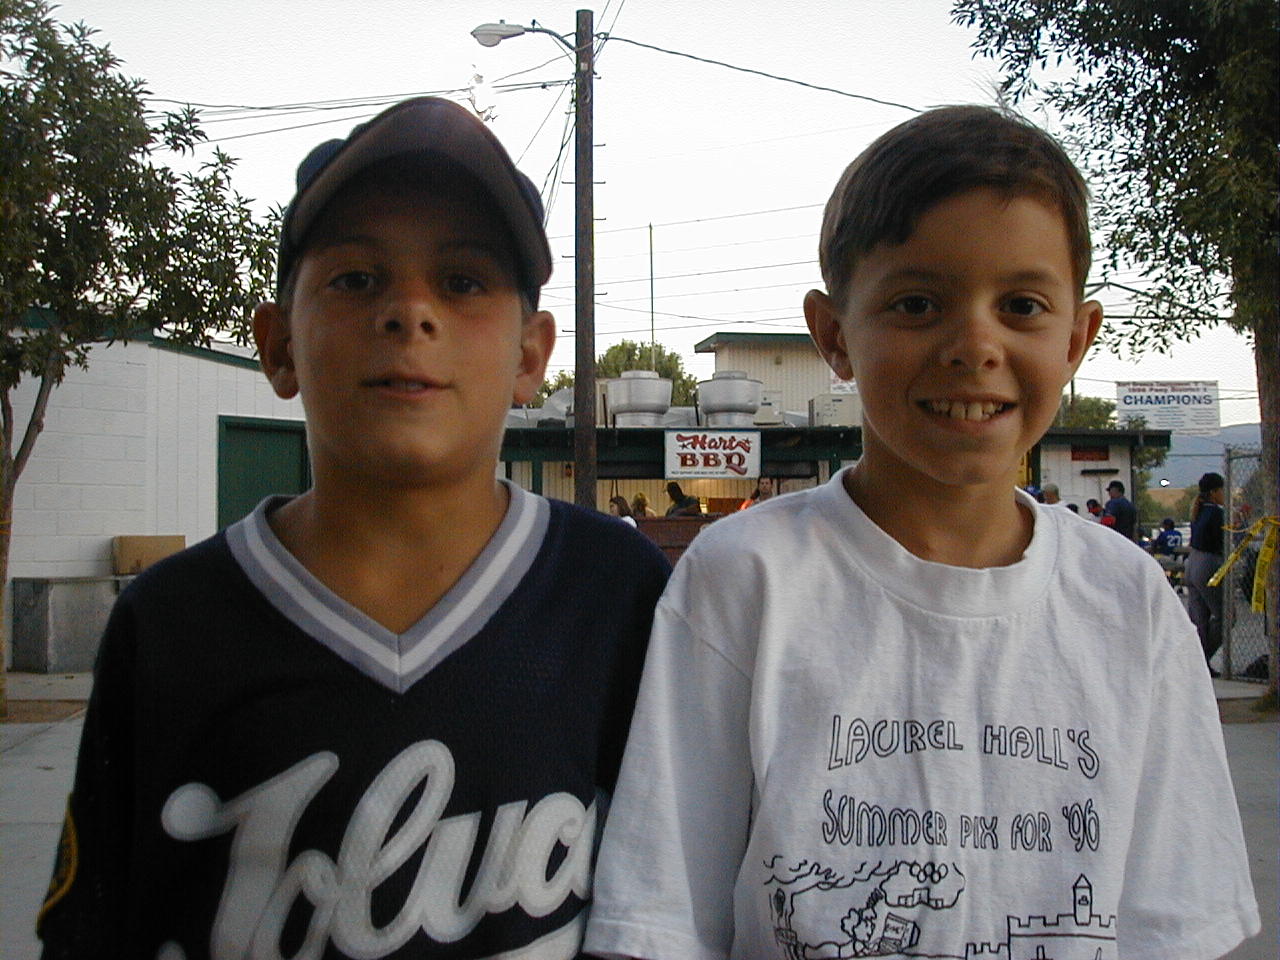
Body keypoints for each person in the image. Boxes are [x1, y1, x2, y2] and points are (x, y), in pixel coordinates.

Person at [584, 105, 1258, 959]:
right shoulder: (747, 578)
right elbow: (665, 920)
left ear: (1077, 338)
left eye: (1021, 305)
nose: (974, 345)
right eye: (916, 303)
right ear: (834, 335)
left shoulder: (1131, 604)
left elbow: (1173, 927)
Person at [37, 97, 670, 959]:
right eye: (357, 280)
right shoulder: (171, 620)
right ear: (277, 347)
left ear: (531, 354)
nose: (410, 312)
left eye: (463, 281)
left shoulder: (616, 592)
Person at [1187, 471, 1226, 674]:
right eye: (1222, 490)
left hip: (1192, 561)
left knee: (1199, 619)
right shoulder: (1216, 513)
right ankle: (1201, 659)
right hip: (1209, 563)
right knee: (1225, 615)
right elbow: (1226, 540)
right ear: (1214, 492)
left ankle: (1195, 660)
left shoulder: (1198, 511)